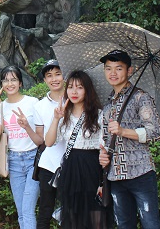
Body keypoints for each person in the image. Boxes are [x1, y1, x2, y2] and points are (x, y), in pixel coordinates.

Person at [98, 50, 160, 229]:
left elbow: (155, 132)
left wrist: (123, 131)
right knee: (124, 225)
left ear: (130, 70)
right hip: (115, 175)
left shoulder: (141, 97)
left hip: (141, 173)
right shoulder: (108, 105)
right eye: (108, 68)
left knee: (150, 224)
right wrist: (103, 156)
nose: (113, 73)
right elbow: (106, 139)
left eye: (119, 68)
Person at [45, 70, 111, 229]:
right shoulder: (63, 114)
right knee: (72, 214)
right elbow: (49, 142)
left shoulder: (98, 114)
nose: (74, 92)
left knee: (94, 213)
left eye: (80, 87)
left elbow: (105, 144)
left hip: (92, 166)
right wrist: (56, 119)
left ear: (87, 90)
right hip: (71, 167)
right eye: (70, 87)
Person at [0, 66, 43, 229]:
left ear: (20, 83)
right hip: (13, 161)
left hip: (33, 160)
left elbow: (41, 137)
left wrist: (26, 125)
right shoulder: (2, 106)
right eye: (5, 80)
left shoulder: (33, 103)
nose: (9, 83)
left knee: (27, 210)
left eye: (13, 79)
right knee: (21, 211)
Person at [34, 60, 67, 229]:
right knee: (45, 210)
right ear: (45, 80)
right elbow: (41, 140)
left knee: (71, 211)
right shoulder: (40, 106)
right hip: (48, 164)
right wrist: (26, 127)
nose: (54, 79)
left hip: (71, 164)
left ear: (64, 76)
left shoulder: (75, 100)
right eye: (49, 76)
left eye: (58, 74)